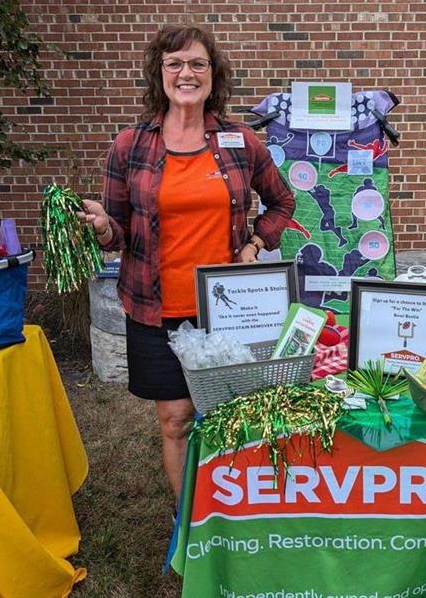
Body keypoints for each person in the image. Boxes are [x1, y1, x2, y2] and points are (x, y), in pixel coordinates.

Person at [79, 25, 295, 505]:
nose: (186, 73)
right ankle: (190, 523)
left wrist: (254, 244)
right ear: (161, 74)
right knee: (175, 420)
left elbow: (282, 202)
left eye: (198, 63)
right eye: (175, 63)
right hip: (156, 309)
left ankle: (236, 513)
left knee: (231, 414)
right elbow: (116, 229)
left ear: (213, 76)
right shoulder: (130, 146)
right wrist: (101, 227)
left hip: (228, 309)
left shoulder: (241, 141)